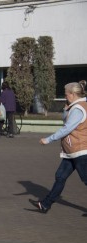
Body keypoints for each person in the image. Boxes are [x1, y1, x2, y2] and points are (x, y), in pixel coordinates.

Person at [29, 80, 87, 213]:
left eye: (66, 94)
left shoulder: (78, 109)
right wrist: (67, 109)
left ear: (72, 94)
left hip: (80, 150)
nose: (65, 96)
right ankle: (45, 204)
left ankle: (46, 203)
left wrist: (48, 139)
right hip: (72, 151)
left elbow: (67, 128)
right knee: (60, 176)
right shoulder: (77, 105)